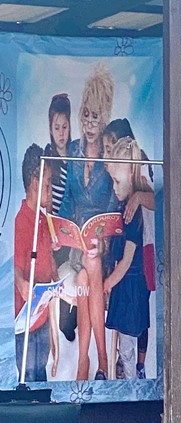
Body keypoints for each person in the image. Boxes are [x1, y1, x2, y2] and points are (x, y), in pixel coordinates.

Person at [58, 63, 115, 380]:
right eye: (86, 116)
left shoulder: (108, 152)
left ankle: (87, 362)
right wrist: (62, 230)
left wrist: (102, 234)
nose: (90, 123)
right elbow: (67, 197)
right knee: (86, 272)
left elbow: (113, 200)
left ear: (104, 116)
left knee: (88, 274)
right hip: (77, 242)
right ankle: (101, 362)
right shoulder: (75, 151)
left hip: (103, 242)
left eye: (95, 117)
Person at [103, 118, 155, 379]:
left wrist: (108, 282)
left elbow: (127, 260)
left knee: (127, 347)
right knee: (126, 345)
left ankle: (132, 388)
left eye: (117, 182)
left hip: (131, 284)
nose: (114, 188)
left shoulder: (135, 212)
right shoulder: (126, 207)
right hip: (128, 283)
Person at [14, 144, 59, 382]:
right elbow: (15, 267)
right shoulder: (21, 221)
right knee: (28, 377)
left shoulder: (43, 219)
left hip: (42, 318)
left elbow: (48, 262)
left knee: (40, 376)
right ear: (35, 182)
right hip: (26, 324)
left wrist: (56, 280)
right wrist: (21, 283)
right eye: (48, 182)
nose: (51, 189)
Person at [43, 92, 77, 343]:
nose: (61, 132)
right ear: (50, 128)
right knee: (59, 271)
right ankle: (61, 321)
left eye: (65, 126)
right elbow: (45, 202)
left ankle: (71, 317)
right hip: (52, 227)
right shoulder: (48, 155)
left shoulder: (76, 153)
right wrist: (53, 232)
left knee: (76, 270)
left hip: (72, 226)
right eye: (57, 127)